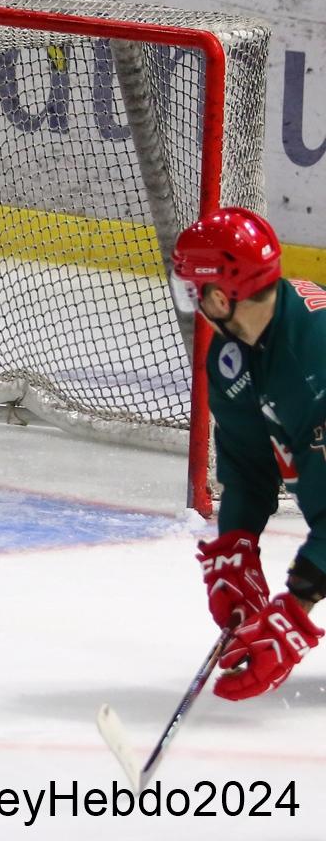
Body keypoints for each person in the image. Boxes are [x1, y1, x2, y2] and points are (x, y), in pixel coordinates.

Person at [173, 206, 326, 701]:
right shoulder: (234, 356)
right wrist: (236, 546)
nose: (193, 303)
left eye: (194, 291)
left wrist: (296, 607)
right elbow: (246, 468)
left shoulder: (315, 360)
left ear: (220, 297)